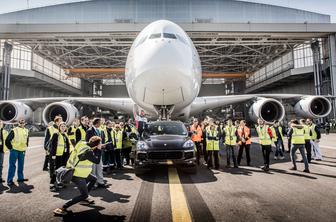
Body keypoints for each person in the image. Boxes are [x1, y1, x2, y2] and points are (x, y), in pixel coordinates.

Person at [53, 136, 103, 216]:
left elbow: (85, 153)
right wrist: (99, 150)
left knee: (93, 179)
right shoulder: (88, 152)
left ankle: (85, 198)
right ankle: (62, 208)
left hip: (75, 170)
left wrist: (96, 148)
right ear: (96, 145)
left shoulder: (82, 143)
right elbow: (96, 161)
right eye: (99, 143)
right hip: (78, 174)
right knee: (84, 194)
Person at [6, 119, 29, 186]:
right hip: (14, 150)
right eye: (21, 123)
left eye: (23, 123)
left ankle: (20, 178)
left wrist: (26, 146)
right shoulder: (14, 130)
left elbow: (27, 139)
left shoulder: (26, 130)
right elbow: (7, 140)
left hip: (22, 151)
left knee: (21, 165)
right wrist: (11, 148)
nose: (22, 124)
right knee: (12, 165)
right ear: (18, 123)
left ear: (25, 123)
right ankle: (9, 180)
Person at [49, 122, 71, 191]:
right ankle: (52, 184)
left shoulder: (65, 135)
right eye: (62, 126)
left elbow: (67, 145)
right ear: (59, 127)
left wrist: (68, 154)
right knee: (57, 170)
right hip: (58, 155)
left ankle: (59, 183)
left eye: (64, 126)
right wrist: (53, 155)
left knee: (63, 169)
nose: (63, 127)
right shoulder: (56, 134)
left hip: (65, 155)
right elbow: (53, 145)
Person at [86, 118, 107, 188]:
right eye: (100, 122)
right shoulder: (89, 131)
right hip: (93, 152)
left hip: (99, 151)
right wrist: (96, 146)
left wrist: (101, 145)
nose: (101, 124)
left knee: (99, 167)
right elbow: (88, 142)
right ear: (97, 123)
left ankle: (100, 182)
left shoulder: (98, 130)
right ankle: (94, 184)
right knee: (93, 169)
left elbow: (99, 141)